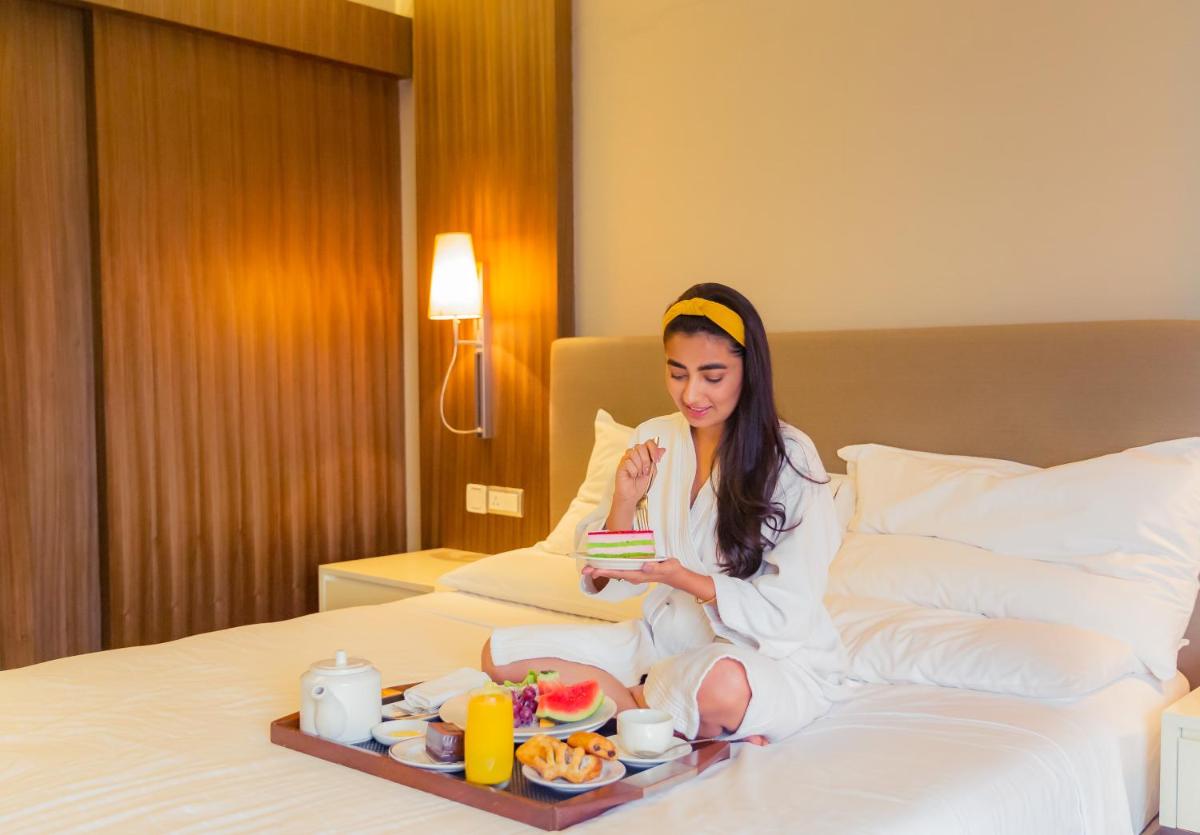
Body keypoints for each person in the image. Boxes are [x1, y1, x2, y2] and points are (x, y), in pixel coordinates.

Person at [481, 283, 845, 744]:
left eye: (712, 377)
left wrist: (682, 578)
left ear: (748, 372)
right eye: (678, 373)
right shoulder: (654, 438)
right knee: (501, 655)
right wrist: (624, 500)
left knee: (724, 686)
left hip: (763, 658)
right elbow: (607, 577)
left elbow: (789, 610)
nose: (692, 393)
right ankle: (656, 710)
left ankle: (640, 705)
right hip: (663, 644)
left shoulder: (790, 456)